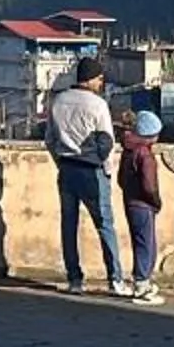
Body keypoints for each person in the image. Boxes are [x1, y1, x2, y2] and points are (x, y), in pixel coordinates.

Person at [45, 57, 131, 297]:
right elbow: (107, 142)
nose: (101, 83)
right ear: (91, 79)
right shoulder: (98, 105)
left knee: (68, 225)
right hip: (92, 170)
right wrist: (107, 171)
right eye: (100, 79)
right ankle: (115, 279)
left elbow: (50, 140)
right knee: (105, 225)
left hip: (66, 169)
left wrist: (60, 162)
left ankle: (75, 279)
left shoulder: (58, 101)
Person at [116, 108, 166, 306]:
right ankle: (142, 284)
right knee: (147, 244)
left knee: (140, 242)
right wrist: (155, 200)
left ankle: (141, 281)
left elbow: (121, 179)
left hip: (131, 201)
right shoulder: (145, 154)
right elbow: (149, 184)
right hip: (143, 204)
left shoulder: (128, 151)